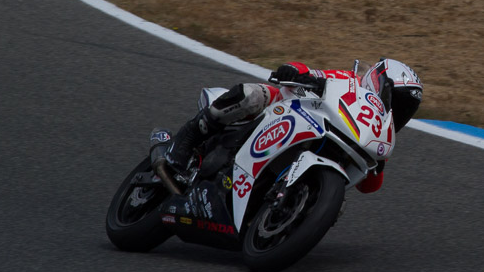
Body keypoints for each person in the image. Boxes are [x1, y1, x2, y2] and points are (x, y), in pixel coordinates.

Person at [157, 59, 423, 194]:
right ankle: (188, 138)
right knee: (253, 95)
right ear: (378, 82)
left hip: (326, 142)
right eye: (395, 101)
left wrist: (377, 163)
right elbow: (309, 72)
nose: (398, 112)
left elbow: (369, 188)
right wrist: (295, 72)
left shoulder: (377, 136)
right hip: (286, 112)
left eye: (404, 110)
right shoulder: (349, 80)